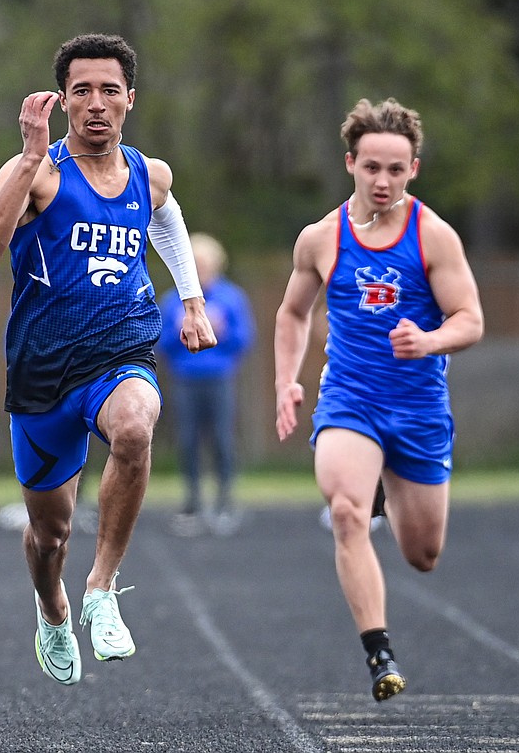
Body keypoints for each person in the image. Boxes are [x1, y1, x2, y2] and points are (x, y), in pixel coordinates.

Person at [0, 33, 217, 686]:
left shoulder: (148, 173)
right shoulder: (38, 173)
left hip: (121, 349)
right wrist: (24, 161)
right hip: (41, 371)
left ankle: (102, 588)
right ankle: (53, 606)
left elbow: (168, 217)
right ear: (62, 100)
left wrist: (190, 299)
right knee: (49, 535)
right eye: (82, 91)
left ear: (130, 99)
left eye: (110, 90)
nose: (97, 103)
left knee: (136, 426)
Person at [273, 98, 484, 701]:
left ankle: (391, 497)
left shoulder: (432, 236)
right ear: (351, 164)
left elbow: (469, 319)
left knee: (423, 554)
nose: (382, 181)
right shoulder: (321, 237)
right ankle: (379, 652)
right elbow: (291, 313)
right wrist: (288, 378)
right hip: (350, 398)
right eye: (371, 168)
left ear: (413, 168)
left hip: (417, 408)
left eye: (395, 169)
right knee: (344, 511)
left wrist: (431, 339)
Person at [157, 233, 255, 537]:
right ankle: (192, 503)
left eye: (204, 264)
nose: (199, 270)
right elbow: (158, 342)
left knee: (222, 441)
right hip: (185, 380)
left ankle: (225, 502)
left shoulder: (232, 297)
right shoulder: (173, 300)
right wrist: (177, 332)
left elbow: (245, 339)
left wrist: (221, 331)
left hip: (220, 379)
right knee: (187, 442)